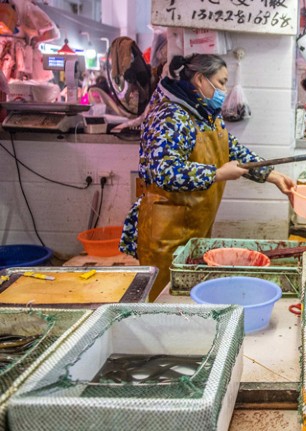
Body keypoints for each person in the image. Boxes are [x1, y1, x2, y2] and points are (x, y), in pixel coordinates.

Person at [119, 54, 294, 301]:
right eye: (221, 82)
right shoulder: (170, 116)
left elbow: (233, 149)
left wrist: (272, 175)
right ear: (200, 79)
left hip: (195, 225)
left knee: (188, 294)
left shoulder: (206, 114)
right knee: (164, 300)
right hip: (166, 231)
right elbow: (164, 170)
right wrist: (218, 174)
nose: (225, 89)